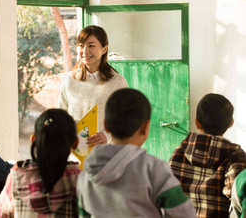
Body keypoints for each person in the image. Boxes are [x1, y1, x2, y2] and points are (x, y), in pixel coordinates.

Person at [77, 88, 197, 218]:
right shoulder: (153, 169)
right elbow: (184, 213)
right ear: (146, 128)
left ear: (106, 126)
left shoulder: (86, 175)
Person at [169, 93, 246, 218]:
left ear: (197, 123)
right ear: (231, 123)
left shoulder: (179, 152)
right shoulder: (236, 156)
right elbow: (237, 198)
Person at [0, 109, 80, 218]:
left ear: (33, 139)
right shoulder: (79, 180)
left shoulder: (17, 176)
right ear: (75, 142)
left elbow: (3, 212)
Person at [58, 25, 128, 147]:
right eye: (81, 46)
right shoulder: (69, 80)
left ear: (104, 49)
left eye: (91, 46)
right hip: (74, 155)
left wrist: (107, 136)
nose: (85, 51)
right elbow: (61, 115)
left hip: (106, 155)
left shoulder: (118, 83)